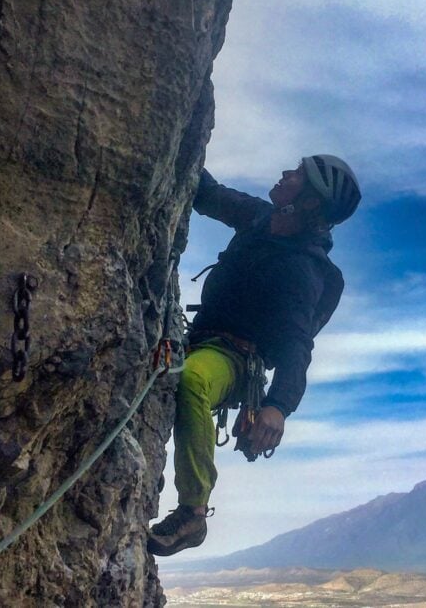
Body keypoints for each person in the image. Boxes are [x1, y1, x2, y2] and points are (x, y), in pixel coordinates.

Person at [147, 154, 361, 556]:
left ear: (311, 202)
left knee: (190, 380)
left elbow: (297, 343)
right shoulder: (259, 217)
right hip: (195, 339)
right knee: (156, 363)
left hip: (232, 360)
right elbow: (208, 194)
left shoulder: (303, 269)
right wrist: (182, 145)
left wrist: (278, 406)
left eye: (297, 175)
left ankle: (193, 511)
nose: (285, 174)